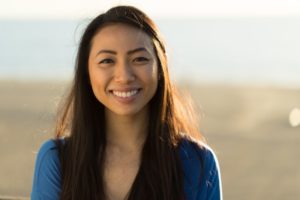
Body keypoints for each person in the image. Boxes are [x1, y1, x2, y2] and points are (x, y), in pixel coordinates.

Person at [31, 5, 222, 200]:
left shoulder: (197, 161)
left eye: (139, 59)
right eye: (107, 61)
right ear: (87, 73)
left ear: (160, 69)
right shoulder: (56, 160)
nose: (124, 76)